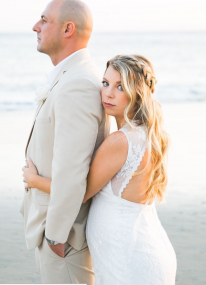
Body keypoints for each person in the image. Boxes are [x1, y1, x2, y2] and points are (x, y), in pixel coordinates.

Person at [25, 54, 177, 284]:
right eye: (105, 83)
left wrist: (34, 180)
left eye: (120, 87)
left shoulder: (119, 141)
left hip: (129, 259)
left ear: (137, 93)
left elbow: (79, 192)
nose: (108, 93)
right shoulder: (149, 135)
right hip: (145, 249)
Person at [20, 0, 110, 284]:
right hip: (51, 227)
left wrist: (56, 236)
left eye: (44, 20)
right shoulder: (70, 76)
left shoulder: (79, 84)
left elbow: (73, 171)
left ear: (68, 29)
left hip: (63, 236)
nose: (36, 26)